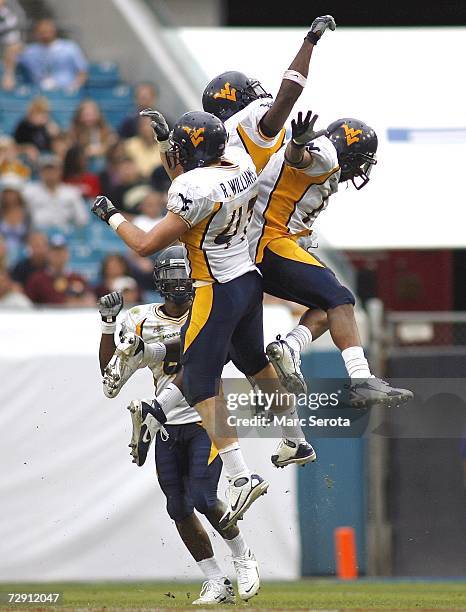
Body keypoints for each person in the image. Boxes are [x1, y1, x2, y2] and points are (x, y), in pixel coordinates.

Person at [92, 110, 315, 530]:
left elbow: (143, 245)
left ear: (192, 150)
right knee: (255, 365)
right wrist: (163, 145)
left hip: (217, 287)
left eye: (178, 146)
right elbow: (184, 174)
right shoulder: (239, 163)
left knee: (198, 383)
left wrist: (112, 216)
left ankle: (240, 475)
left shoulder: (193, 188)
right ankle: (297, 440)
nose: (172, 153)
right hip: (249, 279)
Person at [97, 246, 261, 604]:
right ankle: (216, 581)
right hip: (168, 424)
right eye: (172, 277)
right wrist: (109, 326)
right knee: (178, 506)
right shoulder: (141, 317)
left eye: (184, 275)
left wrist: (149, 351)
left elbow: (193, 353)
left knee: (204, 497)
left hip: (207, 418)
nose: (180, 283)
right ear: (159, 281)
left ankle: (243, 556)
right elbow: (111, 376)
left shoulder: (211, 312)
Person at [17, 18, 88, 91]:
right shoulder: (30, 51)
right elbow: (12, 56)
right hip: (39, 90)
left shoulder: (69, 47)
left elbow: (82, 71)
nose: (45, 35)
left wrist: (74, 87)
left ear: (54, 31)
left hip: (65, 90)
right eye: (42, 32)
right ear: (36, 33)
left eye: (48, 31)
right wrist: (8, 75)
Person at [23, 153, 88, 231]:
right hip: (39, 235)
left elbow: (82, 219)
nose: (50, 173)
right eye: (46, 169)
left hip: (66, 235)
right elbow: (23, 219)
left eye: (53, 169)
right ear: (40, 172)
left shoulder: (71, 193)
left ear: (60, 171)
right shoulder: (29, 191)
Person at [25, 233, 93, 305]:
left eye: (61, 251)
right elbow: (28, 305)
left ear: (67, 254)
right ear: (48, 254)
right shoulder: (37, 280)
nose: (58, 255)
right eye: (55, 252)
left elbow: (90, 300)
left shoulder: (78, 278)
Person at [69, 99, 116, 171]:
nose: (89, 118)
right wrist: (87, 152)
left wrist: (100, 150)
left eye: (92, 115)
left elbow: (110, 145)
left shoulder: (105, 129)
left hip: (104, 165)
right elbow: (74, 152)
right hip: (82, 166)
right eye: (86, 115)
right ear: (80, 116)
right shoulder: (74, 131)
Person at [0, 180, 30, 264]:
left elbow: (30, 234)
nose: (10, 196)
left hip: (22, 251)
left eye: (12, 192)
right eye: (7, 193)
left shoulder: (26, 213)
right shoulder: (1, 212)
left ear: (18, 193)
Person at [0, 0, 23, 90]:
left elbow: (13, 42)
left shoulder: (8, 16)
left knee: (14, 47)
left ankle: (9, 77)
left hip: (3, 49)